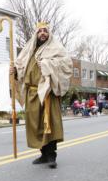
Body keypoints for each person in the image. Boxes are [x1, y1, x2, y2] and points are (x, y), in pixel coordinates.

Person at [10, 22, 72, 168]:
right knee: (35, 125)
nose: (42, 33)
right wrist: (15, 71)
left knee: (49, 125)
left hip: (47, 93)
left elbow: (67, 65)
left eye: (45, 31)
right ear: (36, 34)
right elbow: (21, 68)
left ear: (49, 34)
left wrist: (47, 64)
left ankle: (51, 156)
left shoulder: (56, 48)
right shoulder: (29, 50)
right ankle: (43, 154)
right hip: (31, 93)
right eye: (40, 31)